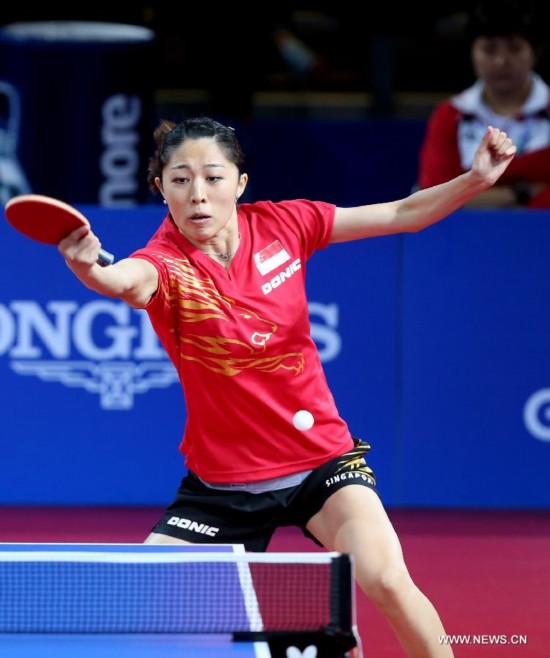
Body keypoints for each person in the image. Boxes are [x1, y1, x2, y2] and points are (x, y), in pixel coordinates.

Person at [58, 115, 516, 657]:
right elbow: (125, 281)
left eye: (213, 177)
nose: (197, 195)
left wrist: (476, 180)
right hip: (222, 488)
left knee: (389, 581)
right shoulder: (164, 264)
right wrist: (90, 271)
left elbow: (402, 212)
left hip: (321, 463)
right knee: (141, 604)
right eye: (180, 180)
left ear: (241, 183)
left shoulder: (285, 224)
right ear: (160, 189)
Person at [416, 0, 550, 208]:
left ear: (535, 53)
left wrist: (471, 194)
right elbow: (434, 196)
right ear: (472, 54)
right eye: (489, 49)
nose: (501, 61)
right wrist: (521, 193)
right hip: (466, 236)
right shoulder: (450, 115)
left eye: (515, 49)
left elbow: (452, 197)